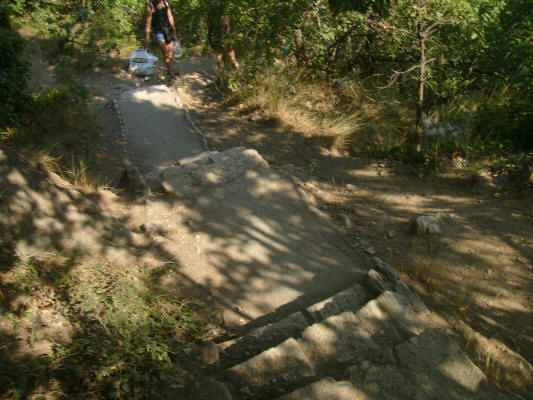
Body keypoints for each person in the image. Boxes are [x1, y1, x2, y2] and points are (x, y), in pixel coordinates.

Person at [144, 0, 179, 81]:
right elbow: (148, 23)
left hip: (169, 30)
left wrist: (174, 30)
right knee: (166, 54)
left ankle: (169, 70)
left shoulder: (166, 3)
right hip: (159, 33)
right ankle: (171, 75)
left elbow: (170, 16)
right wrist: (147, 37)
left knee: (170, 55)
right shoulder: (150, 6)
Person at [207, 2, 239, 74]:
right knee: (223, 59)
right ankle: (224, 76)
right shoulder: (220, 12)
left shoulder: (215, 13)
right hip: (219, 40)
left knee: (224, 59)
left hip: (219, 40)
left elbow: (226, 27)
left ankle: (225, 75)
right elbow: (227, 27)